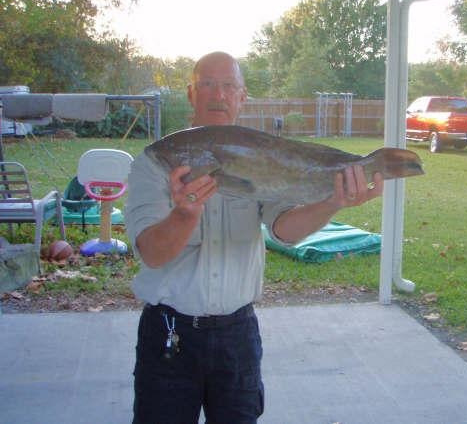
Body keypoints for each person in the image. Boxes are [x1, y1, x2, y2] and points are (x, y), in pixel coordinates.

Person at [125, 51, 383, 424]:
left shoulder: (263, 155)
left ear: (242, 97)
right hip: (169, 335)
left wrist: (333, 201)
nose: (219, 94)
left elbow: (285, 229)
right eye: (208, 84)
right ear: (191, 93)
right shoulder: (157, 160)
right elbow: (152, 254)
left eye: (229, 86)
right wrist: (185, 212)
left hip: (237, 336)